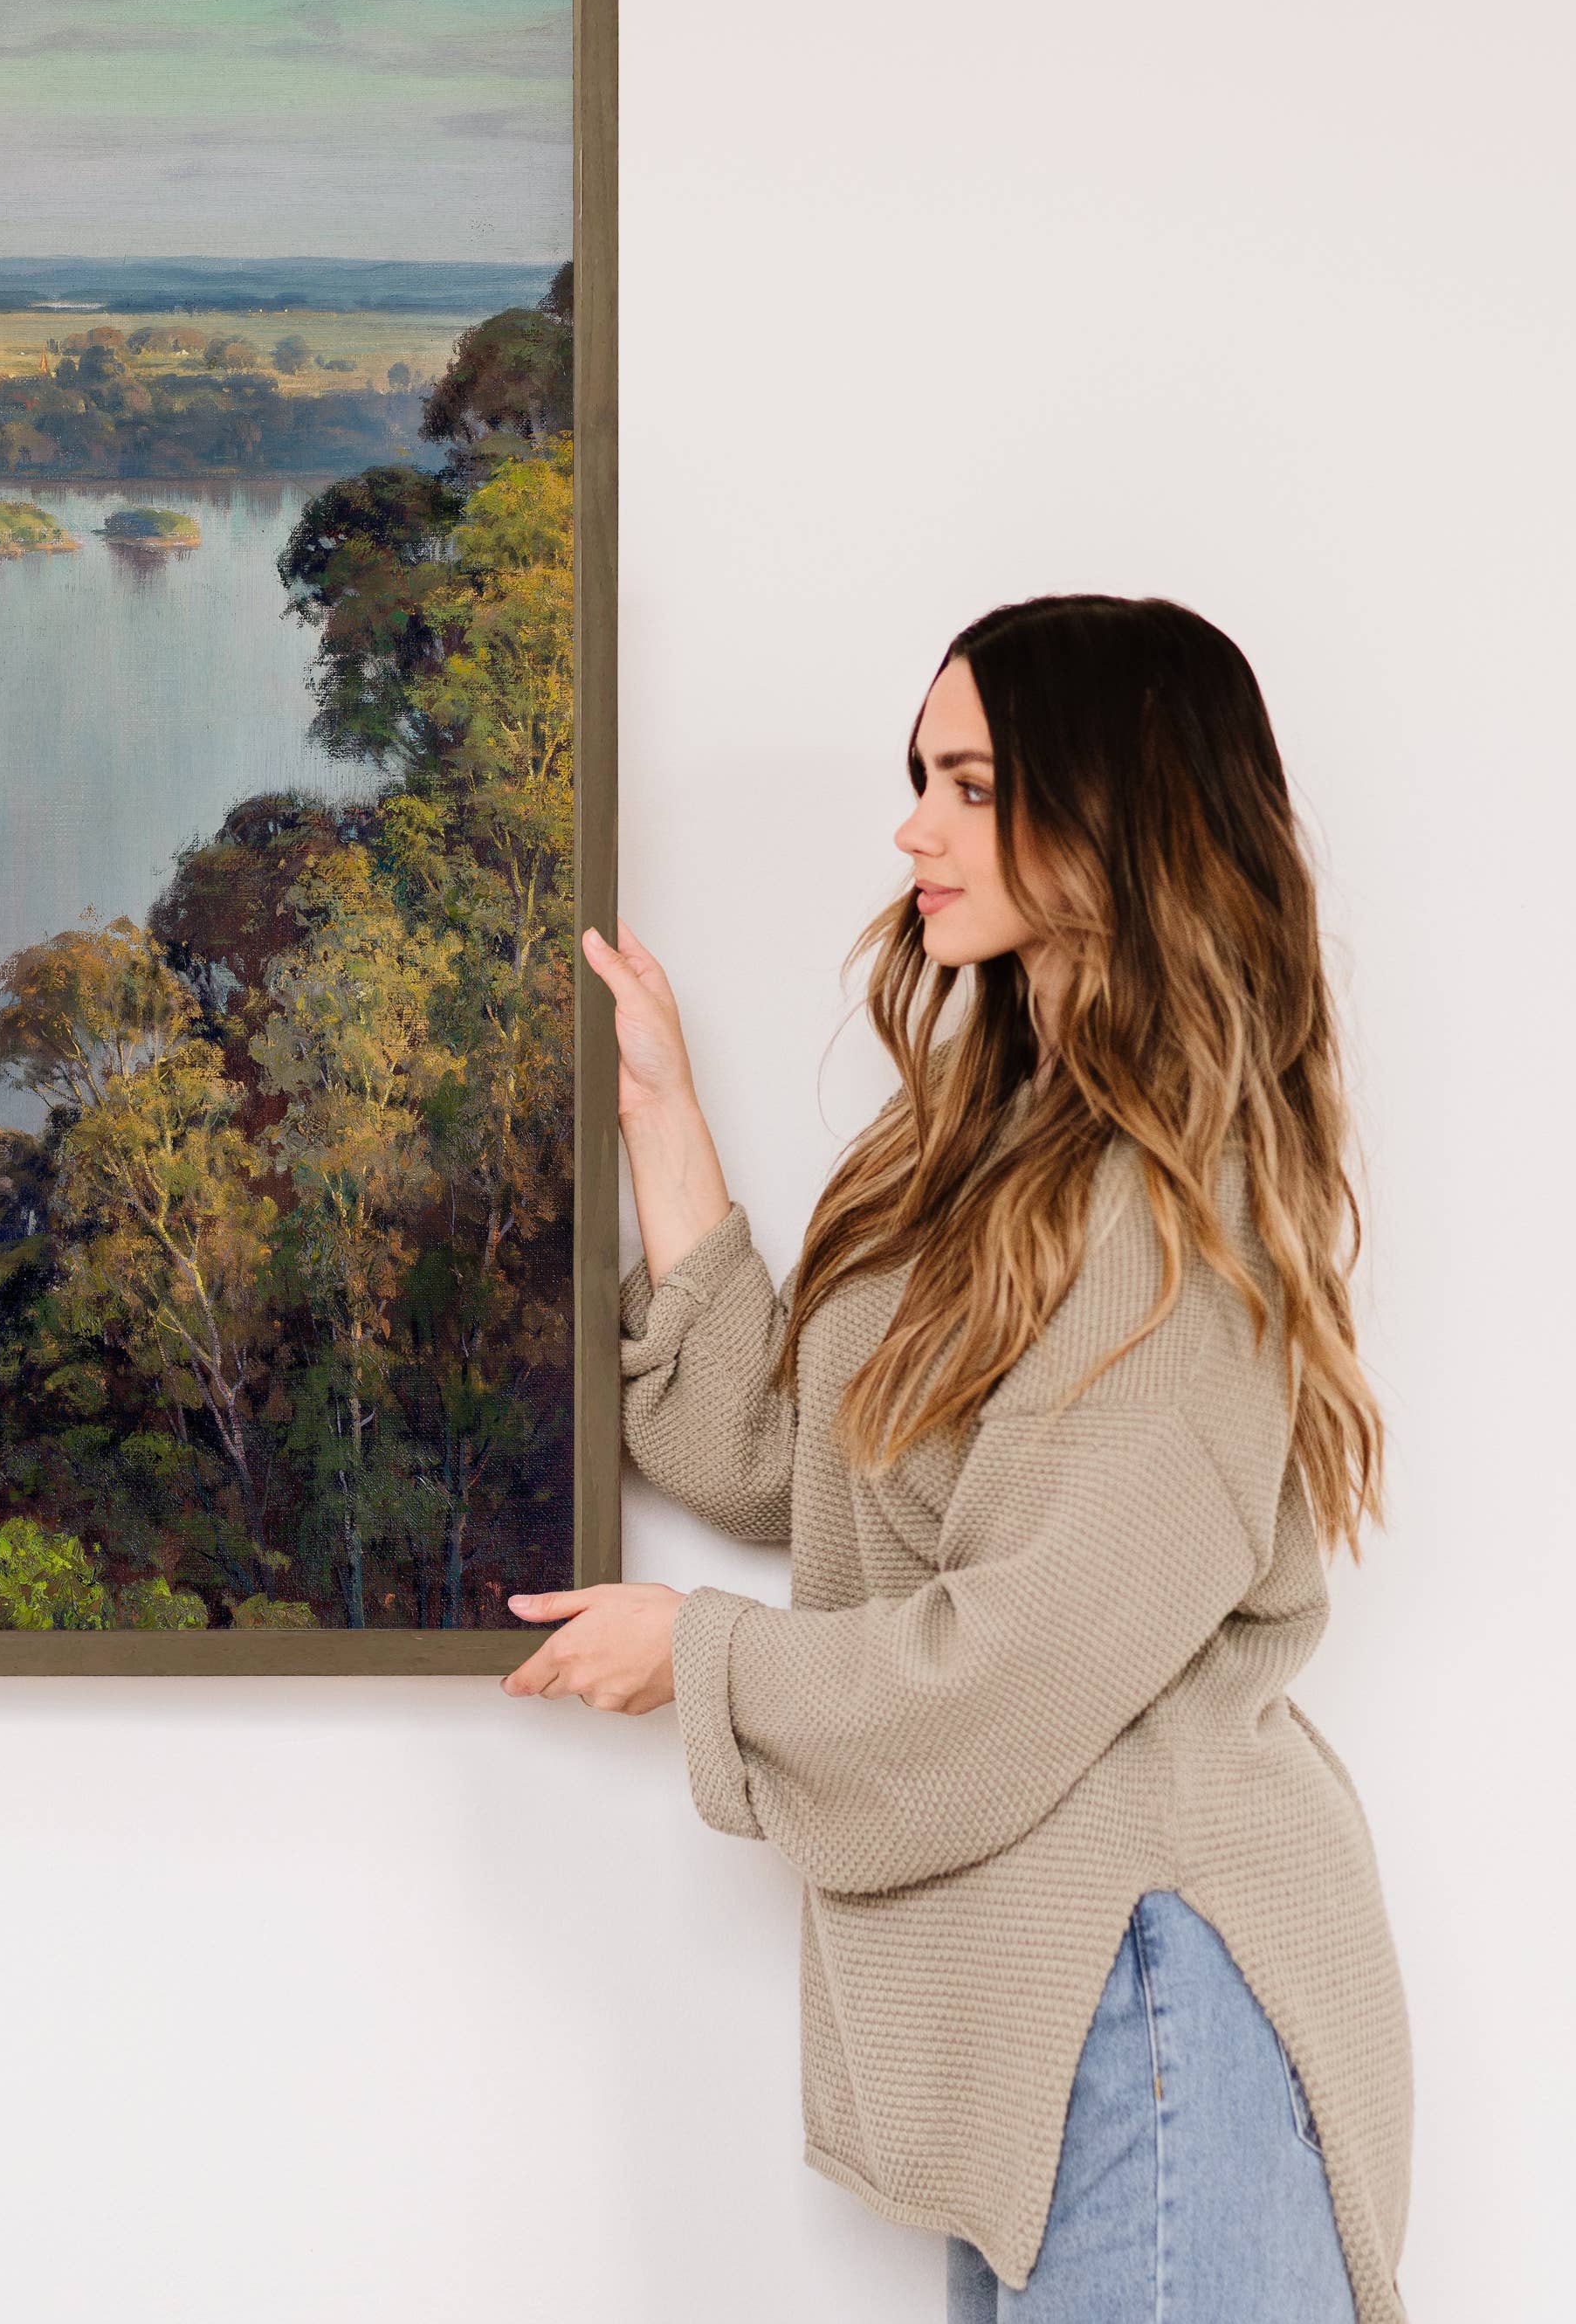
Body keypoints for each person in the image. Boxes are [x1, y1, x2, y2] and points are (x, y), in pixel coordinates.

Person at [500, 597, 1409, 2323]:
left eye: (973, 784)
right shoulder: (990, 1157)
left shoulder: (1169, 1226)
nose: (915, 825)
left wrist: (693, 1655)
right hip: (1057, 2021)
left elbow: (1012, 1669)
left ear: (1117, 810)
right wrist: (661, 1119)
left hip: (1153, 2006)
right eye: (922, 775)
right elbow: (798, 1457)